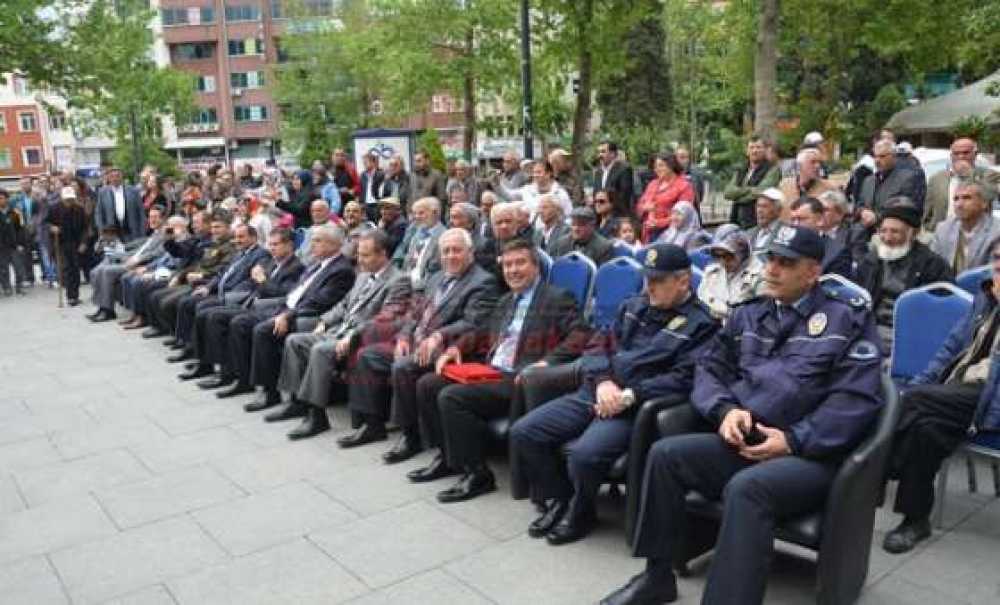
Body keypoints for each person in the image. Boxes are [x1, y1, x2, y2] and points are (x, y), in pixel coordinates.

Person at [601, 225, 884, 605]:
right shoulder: (748, 315)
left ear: (813, 271)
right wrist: (724, 410)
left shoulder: (845, 319)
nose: (772, 270)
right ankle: (656, 576)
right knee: (665, 456)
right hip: (744, 440)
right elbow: (708, 369)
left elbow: (855, 399)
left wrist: (794, 439)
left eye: (786, 263)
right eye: (770, 260)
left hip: (808, 455)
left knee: (747, 489)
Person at [512, 243, 719, 545]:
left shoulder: (703, 324)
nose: (650, 287)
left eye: (659, 280)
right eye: (647, 279)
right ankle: (560, 498)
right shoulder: (633, 306)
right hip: (596, 391)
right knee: (524, 432)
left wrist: (629, 395)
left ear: (684, 280)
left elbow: (684, 378)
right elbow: (598, 345)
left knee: (584, 455)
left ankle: (581, 510)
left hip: (634, 407)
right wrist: (604, 382)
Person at [411, 239, 590, 499]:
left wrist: (548, 362)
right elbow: (483, 331)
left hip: (521, 377)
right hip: (492, 371)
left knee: (452, 397)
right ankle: (448, 458)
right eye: (507, 265)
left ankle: (477, 474)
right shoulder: (506, 300)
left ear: (536, 266)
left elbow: (581, 335)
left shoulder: (556, 297)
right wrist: (455, 349)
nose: (513, 270)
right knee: (428, 384)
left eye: (520, 263)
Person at [882, 235, 1000, 555]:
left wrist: (917, 391)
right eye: (999, 259)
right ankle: (915, 520)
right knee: (925, 428)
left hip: (993, 399)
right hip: (960, 390)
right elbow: (950, 347)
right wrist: (923, 381)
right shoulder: (985, 298)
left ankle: (879, 470)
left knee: (912, 401)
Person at [339, 229, 499, 458]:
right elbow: (414, 315)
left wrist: (438, 335)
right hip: (416, 341)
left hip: (448, 349)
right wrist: (404, 337)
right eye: (446, 251)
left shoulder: (483, 282)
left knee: (403, 367)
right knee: (368, 355)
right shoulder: (436, 277)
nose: (450, 256)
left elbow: (473, 322)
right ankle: (372, 425)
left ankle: (410, 436)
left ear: (470, 252)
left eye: (457, 250)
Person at [275, 230, 412, 439]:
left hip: (364, 338)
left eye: (365, 255)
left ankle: (316, 416)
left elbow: (385, 319)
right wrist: (324, 321)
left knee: (320, 350)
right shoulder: (362, 275)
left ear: (383, 254)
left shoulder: (399, 280)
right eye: (358, 254)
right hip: (338, 331)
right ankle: (297, 402)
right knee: (295, 340)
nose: (359, 259)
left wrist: (353, 335)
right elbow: (343, 305)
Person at [213, 225, 355, 404]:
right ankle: (241, 378)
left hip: (305, 316)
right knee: (239, 321)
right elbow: (295, 293)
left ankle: (270, 392)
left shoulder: (341, 270)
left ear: (335, 244)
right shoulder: (317, 265)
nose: (312, 245)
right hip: (285, 306)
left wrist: (287, 315)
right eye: (312, 240)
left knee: (262, 330)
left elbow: (318, 303)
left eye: (317, 241)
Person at [201, 229, 306, 396]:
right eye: (270, 244)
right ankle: (226, 372)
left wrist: (262, 280)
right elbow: (252, 285)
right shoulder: (270, 263)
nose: (272, 248)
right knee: (213, 315)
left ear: (289, 245)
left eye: (276, 244)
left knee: (236, 322)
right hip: (251, 303)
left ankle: (243, 380)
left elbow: (284, 294)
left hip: (272, 309)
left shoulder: (296, 267)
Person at [856, 199, 953, 348]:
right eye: (883, 231)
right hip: (869, 328)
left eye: (895, 232)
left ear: (912, 234)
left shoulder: (933, 265)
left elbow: (941, 312)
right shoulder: (871, 261)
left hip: (910, 335)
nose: (887, 238)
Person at [167, 224, 271, 364]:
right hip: (221, 292)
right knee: (189, 301)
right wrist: (208, 287)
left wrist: (230, 294)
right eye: (236, 237)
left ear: (253, 237)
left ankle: (203, 359)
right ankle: (189, 346)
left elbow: (251, 281)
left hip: (235, 296)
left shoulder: (261, 254)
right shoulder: (240, 253)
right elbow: (222, 273)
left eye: (242, 237)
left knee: (202, 310)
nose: (237, 240)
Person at [142, 213, 236, 339]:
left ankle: (184, 340)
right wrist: (170, 240)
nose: (214, 231)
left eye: (218, 227)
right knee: (157, 295)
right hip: (194, 279)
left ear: (229, 228)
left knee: (176, 302)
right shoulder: (204, 241)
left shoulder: (228, 246)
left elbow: (222, 269)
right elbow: (183, 252)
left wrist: (195, 275)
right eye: (213, 228)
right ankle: (175, 334)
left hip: (207, 282)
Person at [87, 207, 167, 322]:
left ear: (163, 219)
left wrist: (138, 260)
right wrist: (125, 253)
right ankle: (102, 308)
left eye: (155, 217)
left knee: (106, 271)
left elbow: (157, 253)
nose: (151, 220)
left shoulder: (165, 234)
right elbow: (141, 247)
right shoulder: (155, 233)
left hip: (142, 264)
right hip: (131, 259)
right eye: (150, 217)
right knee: (103, 264)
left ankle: (108, 310)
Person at [923, 137, 1000, 232]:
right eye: (956, 153)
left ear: (975, 154)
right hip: (942, 236)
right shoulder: (937, 178)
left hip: (975, 235)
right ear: (951, 156)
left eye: (965, 153)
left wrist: (968, 174)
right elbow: (928, 209)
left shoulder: (988, 175)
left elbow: (988, 196)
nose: (961, 157)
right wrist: (929, 228)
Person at [930, 181, 1000, 274]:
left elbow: (993, 274)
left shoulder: (996, 232)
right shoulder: (943, 229)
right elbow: (932, 267)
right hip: (946, 285)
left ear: (984, 204)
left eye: (967, 198)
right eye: (956, 199)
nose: (959, 204)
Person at [698, 225, 763, 321]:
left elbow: (756, 316)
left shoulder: (759, 274)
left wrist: (723, 310)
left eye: (728, 256)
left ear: (742, 253)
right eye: (717, 255)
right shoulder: (712, 272)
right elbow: (700, 301)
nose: (722, 262)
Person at [858, 139, 925, 229]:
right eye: (875, 156)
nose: (877, 160)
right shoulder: (869, 180)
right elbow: (860, 204)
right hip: (865, 234)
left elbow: (908, 208)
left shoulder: (908, 178)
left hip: (893, 234)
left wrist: (877, 217)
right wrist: (862, 212)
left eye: (882, 156)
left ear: (894, 156)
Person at [723, 135, 781, 229]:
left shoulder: (773, 169)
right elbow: (728, 193)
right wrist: (749, 191)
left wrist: (737, 196)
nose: (754, 151)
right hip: (737, 220)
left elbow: (762, 191)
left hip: (757, 222)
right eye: (751, 147)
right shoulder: (741, 169)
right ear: (747, 151)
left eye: (758, 147)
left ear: (765, 150)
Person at [636, 153, 695, 243]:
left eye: (661, 166)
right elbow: (639, 205)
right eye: (655, 167)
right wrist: (645, 207)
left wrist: (659, 223)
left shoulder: (684, 186)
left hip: (672, 235)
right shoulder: (653, 184)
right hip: (648, 233)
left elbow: (684, 214)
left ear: (671, 165)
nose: (657, 169)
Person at [788, 197, 853, 278]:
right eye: (792, 219)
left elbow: (833, 289)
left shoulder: (837, 253)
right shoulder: (782, 243)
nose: (795, 224)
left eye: (801, 219)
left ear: (820, 220)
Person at [45, 186, 89, 305]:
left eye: (71, 199)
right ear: (62, 198)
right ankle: (70, 296)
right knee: (67, 268)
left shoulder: (79, 209)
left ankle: (74, 295)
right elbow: (45, 222)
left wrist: (84, 242)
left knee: (75, 268)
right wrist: (51, 227)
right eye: (67, 199)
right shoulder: (54, 208)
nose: (69, 202)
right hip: (60, 242)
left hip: (75, 242)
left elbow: (85, 228)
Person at [392, 197, 445, 290]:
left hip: (424, 289)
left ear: (435, 213)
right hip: (406, 283)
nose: (416, 217)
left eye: (421, 213)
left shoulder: (444, 237)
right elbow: (407, 262)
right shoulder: (417, 233)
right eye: (415, 213)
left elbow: (435, 274)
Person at [494, 160, 572, 222]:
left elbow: (569, 216)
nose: (535, 175)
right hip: (531, 235)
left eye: (539, 172)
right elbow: (508, 195)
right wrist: (497, 184)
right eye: (534, 172)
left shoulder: (560, 193)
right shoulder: (527, 190)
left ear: (548, 174)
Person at [548, 207, 614, 266]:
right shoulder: (562, 243)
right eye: (573, 224)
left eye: (581, 225)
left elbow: (600, 275)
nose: (576, 229)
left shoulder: (603, 246)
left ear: (592, 226)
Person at [95, 167, 145, 242]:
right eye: (112, 176)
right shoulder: (103, 193)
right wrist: (102, 230)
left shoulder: (133, 191)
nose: (115, 179)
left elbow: (141, 212)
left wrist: (142, 232)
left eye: (117, 176)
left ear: (122, 176)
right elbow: (99, 213)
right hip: (111, 234)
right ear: (108, 178)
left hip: (132, 232)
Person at [593, 141, 634, 211]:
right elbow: (596, 193)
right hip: (600, 214)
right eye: (598, 152)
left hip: (617, 214)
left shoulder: (624, 170)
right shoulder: (598, 172)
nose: (600, 155)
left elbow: (624, 196)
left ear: (612, 154)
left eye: (603, 152)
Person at [0, 189, 26, 296]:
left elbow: (21, 229)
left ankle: (19, 287)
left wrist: (20, 244)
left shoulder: (16, 212)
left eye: (1, 198)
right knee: (3, 269)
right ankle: (6, 288)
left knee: (19, 268)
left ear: (6, 199)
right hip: (1, 247)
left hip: (15, 246)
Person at [745, 188, 784, 254]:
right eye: (758, 206)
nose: (759, 211)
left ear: (778, 210)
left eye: (765, 206)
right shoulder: (749, 233)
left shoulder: (785, 234)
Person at [359, 153, 385, 221]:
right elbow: (362, 191)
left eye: (366, 162)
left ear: (373, 162)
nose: (364, 164)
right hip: (366, 205)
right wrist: (361, 203)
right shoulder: (363, 175)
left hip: (376, 204)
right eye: (363, 163)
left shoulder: (381, 174)